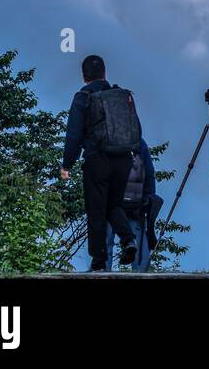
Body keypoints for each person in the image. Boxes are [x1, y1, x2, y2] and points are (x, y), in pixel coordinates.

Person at [60, 54, 141, 271]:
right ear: (104, 73)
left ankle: (98, 263)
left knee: (96, 212)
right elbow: (135, 129)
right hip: (124, 159)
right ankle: (128, 239)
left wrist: (67, 165)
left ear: (84, 76)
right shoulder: (121, 96)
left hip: (98, 160)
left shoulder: (82, 97)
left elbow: (74, 134)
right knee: (113, 205)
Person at [104, 138, 158, 271]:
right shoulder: (138, 141)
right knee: (138, 240)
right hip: (135, 201)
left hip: (111, 201)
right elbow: (149, 171)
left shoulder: (105, 138)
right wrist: (148, 198)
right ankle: (141, 273)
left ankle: (102, 272)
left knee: (105, 240)